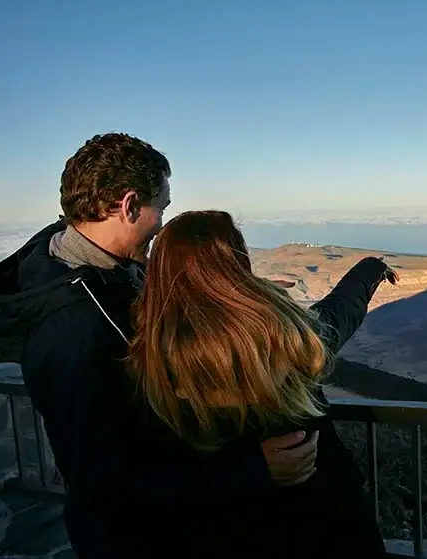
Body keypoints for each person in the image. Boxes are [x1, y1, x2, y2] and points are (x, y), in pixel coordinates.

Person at [0, 134, 321, 558]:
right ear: (129, 206)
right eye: (162, 207)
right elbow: (103, 480)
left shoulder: (104, 275)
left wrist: (241, 292)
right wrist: (251, 471)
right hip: (138, 541)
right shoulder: (72, 327)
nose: (162, 223)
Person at [127, 209, 398, 557]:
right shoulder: (277, 333)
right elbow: (335, 317)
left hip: (223, 529)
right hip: (321, 516)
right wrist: (369, 271)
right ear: (234, 261)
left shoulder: (148, 353)